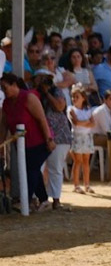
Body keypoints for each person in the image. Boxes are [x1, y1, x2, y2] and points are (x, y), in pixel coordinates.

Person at [2, 73, 55, 211]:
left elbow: (42, 120)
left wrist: (48, 140)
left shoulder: (28, 98)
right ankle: (43, 200)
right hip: (22, 145)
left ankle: (27, 200)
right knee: (33, 170)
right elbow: (4, 126)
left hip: (39, 142)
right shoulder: (7, 104)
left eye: (5, 87)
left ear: (14, 85)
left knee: (31, 170)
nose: (4, 91)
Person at [34, 73, 71, 210]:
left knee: (55, 168)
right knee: (37, 168)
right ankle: (38, 198)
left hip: (59, 135)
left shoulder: (57, 91)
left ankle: (56, 199)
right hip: (40, 135)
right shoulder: (34, 94)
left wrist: (47, 93)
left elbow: (59, 107)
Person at [68, 85, 96, 194]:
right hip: (77, 137)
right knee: (78, 161)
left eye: (77, 97)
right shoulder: (71, 109)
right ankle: (76, 185)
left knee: (85, 161)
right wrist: (86, 122)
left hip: (87, 137)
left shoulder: (88, 110)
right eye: (73, 97)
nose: (74, 99)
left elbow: (93, 123)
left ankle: (87, 185)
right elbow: (76, 122)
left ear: (83, 98)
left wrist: (82, 123)